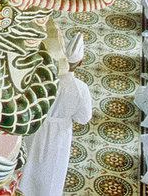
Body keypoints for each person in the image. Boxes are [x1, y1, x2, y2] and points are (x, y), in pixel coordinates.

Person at [18, 34, 93, 196]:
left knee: (29, 160)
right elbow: (83, 118)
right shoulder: (80, 89)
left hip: (36, 125)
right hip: (59, 133)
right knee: (51, 169)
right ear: (79, 63)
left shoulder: (43, 77)